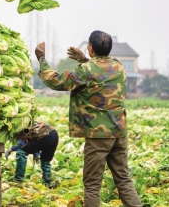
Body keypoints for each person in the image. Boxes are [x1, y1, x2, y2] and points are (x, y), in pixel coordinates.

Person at [35, 31, 142, 207]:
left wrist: (41, 58)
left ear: (90, 47)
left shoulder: (86, 70)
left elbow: (56, 81)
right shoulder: (119, 65)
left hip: (98, 135)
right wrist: (85, 59)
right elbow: (100, 71)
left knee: (92, 185)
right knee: (123, 178)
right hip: (119, 133)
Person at [4, 121, 58, 187]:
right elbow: (35, 142)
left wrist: (10, 150)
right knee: (45, 161)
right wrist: (36, 154)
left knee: (21, 152)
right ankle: (47, 183)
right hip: (54, 134)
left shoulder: (21, 130)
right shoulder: (27, 123)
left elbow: (22, 144)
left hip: (45, 136)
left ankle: (18, 180)